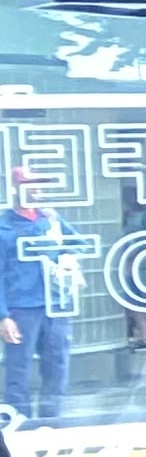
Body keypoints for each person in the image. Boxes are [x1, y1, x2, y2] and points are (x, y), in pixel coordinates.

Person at [0, 179, 72, 426]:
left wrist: (68, 257)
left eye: (39, 186)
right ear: (15, 190)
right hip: (21, 309)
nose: (37, 191)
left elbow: (79, 244)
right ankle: (19, 424)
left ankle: (52, 421)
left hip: (56, 305)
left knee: (57, 366)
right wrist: (3, 316)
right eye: (30, 186)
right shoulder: (3, 226)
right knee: (18, 370)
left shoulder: (50, 219)